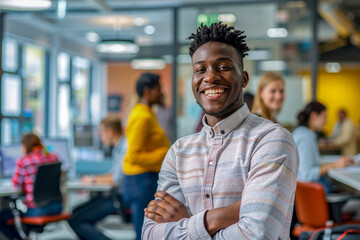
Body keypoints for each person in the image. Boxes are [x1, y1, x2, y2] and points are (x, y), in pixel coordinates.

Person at [142, 22, 299, 239]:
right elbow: (151, 234)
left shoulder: (272, 140)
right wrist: (220, 217)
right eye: (200, 69)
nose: (210, 77)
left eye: (223, 67)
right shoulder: (179, 152)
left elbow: (258, 234)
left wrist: (187, 221)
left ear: (243, 78)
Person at [121, 72, 170, 240]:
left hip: (144, 179)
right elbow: (134, 156)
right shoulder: (142, 116)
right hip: (140, 181)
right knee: (144, 234)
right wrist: (166, 153)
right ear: (148, 91)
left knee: (147, 232)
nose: (162, 93)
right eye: (159, 89)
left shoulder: (147, 113)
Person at [68, 115, 128, 240]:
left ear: (110, 132)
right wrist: (93, 178)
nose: (101, 138)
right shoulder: (118, 148)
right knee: (74, 213)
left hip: (121, 198)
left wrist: (93, 180)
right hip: (115, 195)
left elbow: (116, 180)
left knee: (76, 220)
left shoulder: (125, 148)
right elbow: (113, 173)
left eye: (102, 133)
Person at [0, 133, 61, 239]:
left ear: (25, 146)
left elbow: (16, 185)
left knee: (2, 217)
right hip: (57, 207)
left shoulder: (24, 161)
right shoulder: (53, 157)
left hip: (38, 210)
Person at [292, 101, 354, 193]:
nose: (326, 121)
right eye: (324, 117)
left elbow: (311, 163)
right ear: (314, 116)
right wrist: (335, 165)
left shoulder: (302, 133)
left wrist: (337, 162)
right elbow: (307, 175)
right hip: (314, 195)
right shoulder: (305, 138)